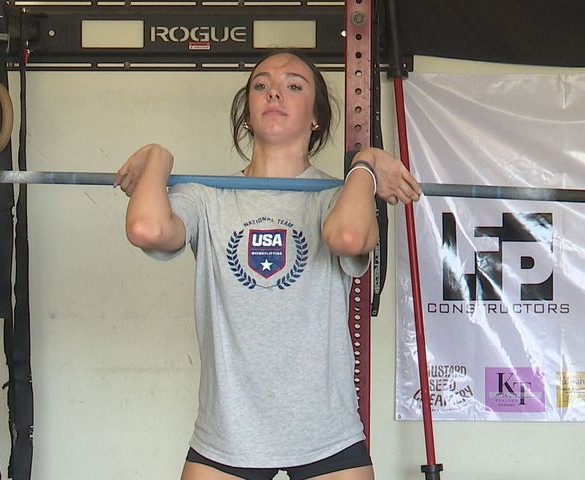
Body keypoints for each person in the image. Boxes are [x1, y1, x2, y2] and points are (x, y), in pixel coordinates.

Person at [115, 50, 421, 480]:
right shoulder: (206, 198)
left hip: (325, 433)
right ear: (247, 115)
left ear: (315, 119)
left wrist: (365, 164)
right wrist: (158, 157)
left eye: (294, 85)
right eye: (261, 85)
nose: (274, 91)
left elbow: (348, 238)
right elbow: (146, 228)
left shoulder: (337, 198)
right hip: (228, 434)